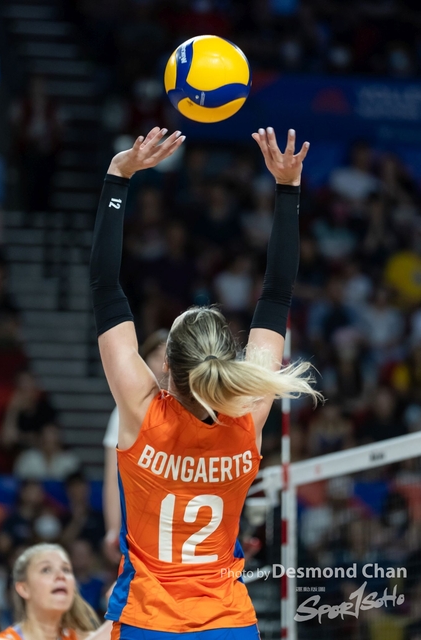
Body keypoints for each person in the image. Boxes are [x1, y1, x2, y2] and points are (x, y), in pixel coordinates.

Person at [89, 126, 320, 638]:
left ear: (165, 366)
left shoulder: (139, 407)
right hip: (227, 622)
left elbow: (106, 286)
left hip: (145, 619)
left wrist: (119, 176)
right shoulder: (249, 413)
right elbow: (278, 295)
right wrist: (288, 188)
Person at [102, 329, 168, 564]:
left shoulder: (194, 408)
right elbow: (113, 475)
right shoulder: (125, 411)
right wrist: (113, 528)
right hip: (139, 519)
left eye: (168, 358)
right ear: (143, 361)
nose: (163, 366)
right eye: (157, 357)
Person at [0, 542, 112, 640]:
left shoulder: (81, 637)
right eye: (46, 570)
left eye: (66, 569)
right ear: (24, 589)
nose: (61, 575)